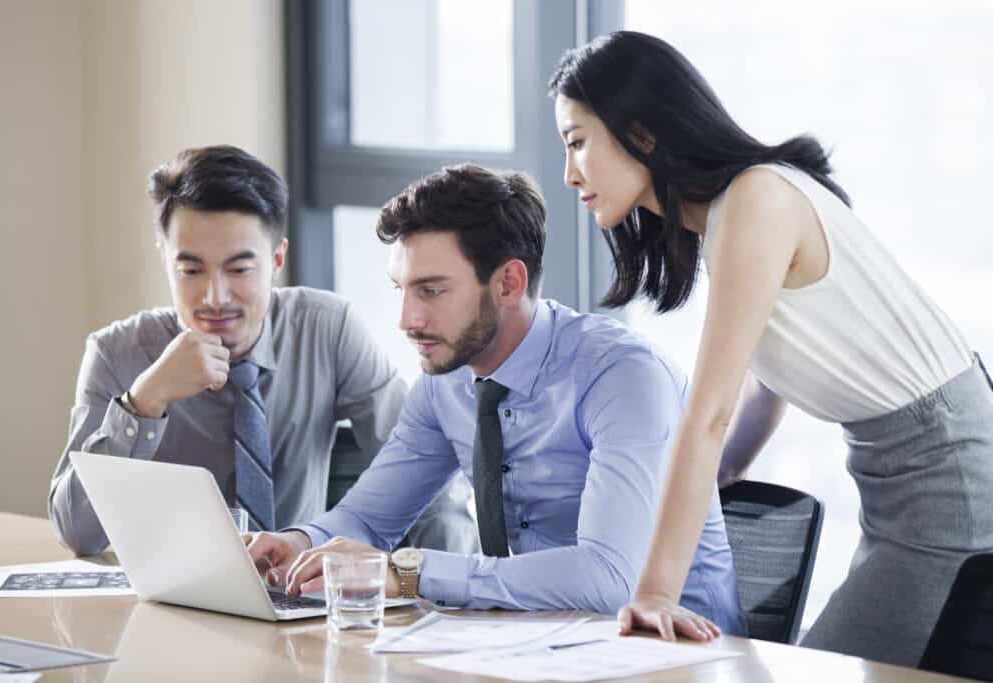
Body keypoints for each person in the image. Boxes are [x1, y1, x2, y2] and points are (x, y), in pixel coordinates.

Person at [548, 31, 993, 666]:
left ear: (641, 132)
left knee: (822, 668)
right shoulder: (733, 213)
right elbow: (766, 388)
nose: (569, 174)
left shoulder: (755, 199)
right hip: (906, 478)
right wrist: (718, 481)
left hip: (945, 479)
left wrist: (654, 594)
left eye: (577, 142)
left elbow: (709, 413)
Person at [245, 164, 746, 631]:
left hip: (678, 656)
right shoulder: (444, 385)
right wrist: (300, 542)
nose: (406, 320)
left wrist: (411, 571)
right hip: (536, 645)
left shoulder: (623, 378)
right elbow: (367, 519)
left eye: (431, 291)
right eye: (401, 289)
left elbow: (609, 577)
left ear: (509, 282)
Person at [48, 145, 475, 557]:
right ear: (165, 260)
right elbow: (78, 535)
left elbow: (425, 476)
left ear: (276, 260)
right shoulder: (116, 353)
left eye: (239, 269)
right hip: (169, 607)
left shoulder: (327, 329)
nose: (215, 297)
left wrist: (444, 600)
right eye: (191, 269)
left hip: (300, 598)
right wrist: (143, 403)